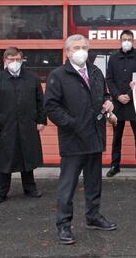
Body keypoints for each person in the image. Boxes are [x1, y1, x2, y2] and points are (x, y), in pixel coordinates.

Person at [45, 34, 118, 245]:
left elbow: (104, 95)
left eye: (84, 47)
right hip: (73, 140)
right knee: (67, 185)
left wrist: (108, 102)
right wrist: (72, 124)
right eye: (76, 47)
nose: (81, 51)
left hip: (95, 137)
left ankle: (93, 216)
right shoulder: (58, 75)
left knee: (94, 181)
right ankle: (64, 225)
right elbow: (51, 106)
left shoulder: (95, 72)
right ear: (67, 52)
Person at [0, 47, 46, 204]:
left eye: (18, 59)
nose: (15, 62)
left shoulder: (32, 78)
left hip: (28, 125)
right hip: (5, 127)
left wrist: (41, 120)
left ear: (22, 60)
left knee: (27, 157)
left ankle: (30, 188)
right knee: (5, 160)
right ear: (5, 61)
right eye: (11, 59)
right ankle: (0, 193)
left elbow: (41, 102)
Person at [105, 30, 136, 177]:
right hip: (118, 103)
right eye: (124, 39)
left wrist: (129, 95)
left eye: (129, 39)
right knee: (117, 136)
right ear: (120, 41)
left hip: (134, 103)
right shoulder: (113, 58)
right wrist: (117, 95)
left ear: (133, 41)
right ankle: (115, 165)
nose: (127, 41)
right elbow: (109, 79)